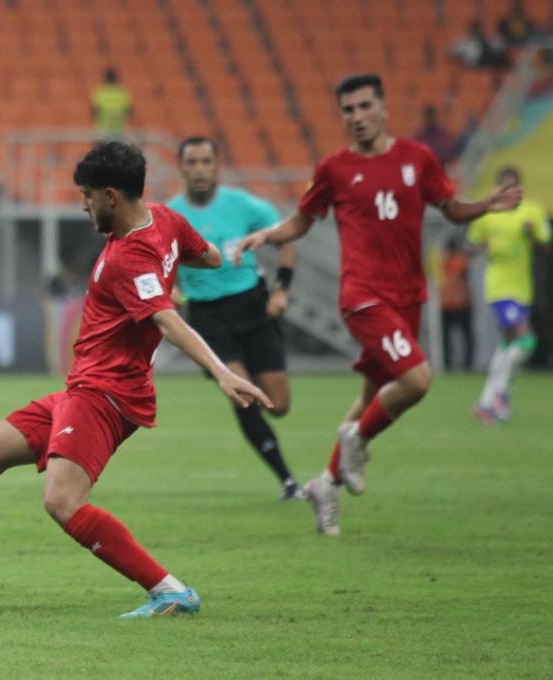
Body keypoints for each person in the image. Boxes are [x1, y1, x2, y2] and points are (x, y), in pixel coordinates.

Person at [0, 141, 271, 618]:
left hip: (106, 393)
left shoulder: (130, 256)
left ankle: (170, 591)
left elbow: (167, 321)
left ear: (111, 196)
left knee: (64, 502)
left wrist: (220, 372)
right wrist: (171, 261)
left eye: (87, 195)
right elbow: (211, 257)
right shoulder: (165, 221)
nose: (83, 204)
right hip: (85, 388)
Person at [234, 74, 522, 537]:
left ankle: (326, 484)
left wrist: (485, 204)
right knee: (417, 379)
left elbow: (449, 208)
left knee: (372, 396)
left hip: (409, 296)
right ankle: (357, 439)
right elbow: (303, 221)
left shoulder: (418, 159)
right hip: (363, 296)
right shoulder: (334, 169)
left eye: (364, 106)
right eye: (348, 110)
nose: (357, 117)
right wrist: (268, 235)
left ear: (384, 107)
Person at [167, 136, 303, 500]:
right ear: (181, 168)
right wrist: (169, 292)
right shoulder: (170, 215)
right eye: (192, 162)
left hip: (253, 309)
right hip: (208, 318)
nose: (199, 169)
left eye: (205, 162)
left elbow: (287, 235)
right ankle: (288, 481)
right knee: (242, 395)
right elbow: (153, 261)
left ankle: (287, 479)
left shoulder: (243, 205)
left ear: (217, 166)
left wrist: (281, 289)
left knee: (279, 405)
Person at [468, 166, 550, 425]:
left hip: (522, 288)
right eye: (504, 188)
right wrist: (480, 246)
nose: (509, 192)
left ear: (520, 188)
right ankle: (500, 394)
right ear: (497, 189)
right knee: (526, 340)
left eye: (513, 187)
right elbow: (470, 245)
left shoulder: (533, 211)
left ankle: (485, 402)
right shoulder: (487, 215)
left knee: (506, 345)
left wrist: (531, 235)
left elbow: (547, 245)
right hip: (499, 287)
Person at [438, 237, 474, 372]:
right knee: (465, 335)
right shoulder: (460, 261)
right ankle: (466, 363)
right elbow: (466, 280)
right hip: (460, 303)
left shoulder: (442, 261)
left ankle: (449, 362)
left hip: (447, 303)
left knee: (448, 336)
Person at [91, 68, 132, 139]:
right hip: (119, 131)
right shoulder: (123, 93)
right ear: (116, 79)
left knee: (103, 149)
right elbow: (129, 112)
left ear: (105, 79)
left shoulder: (99, 93)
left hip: (103, 131)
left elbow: (94, 112)